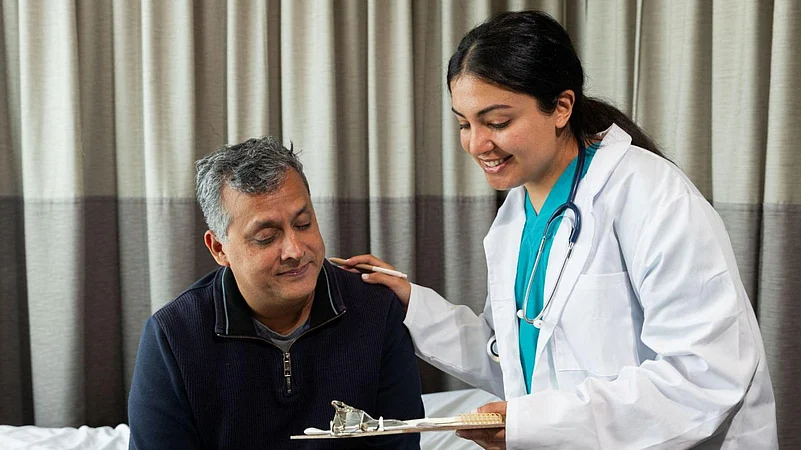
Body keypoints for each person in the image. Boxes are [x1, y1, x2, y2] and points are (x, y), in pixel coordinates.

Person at [342, 10, 778, 449]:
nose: (477, 144)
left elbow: (704, 377)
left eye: (497, 122)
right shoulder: (518, 213)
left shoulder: (650, 195)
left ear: (562, 107)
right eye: (464, 123)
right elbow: (515, 360)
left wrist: (534, 425)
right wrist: (412, 303)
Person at [127, 136, 424, 449]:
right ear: (219, 248)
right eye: (266, 237)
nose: (295, 250)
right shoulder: (173, 337)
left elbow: (399, 443)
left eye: (304, 223)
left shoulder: (375, 311)